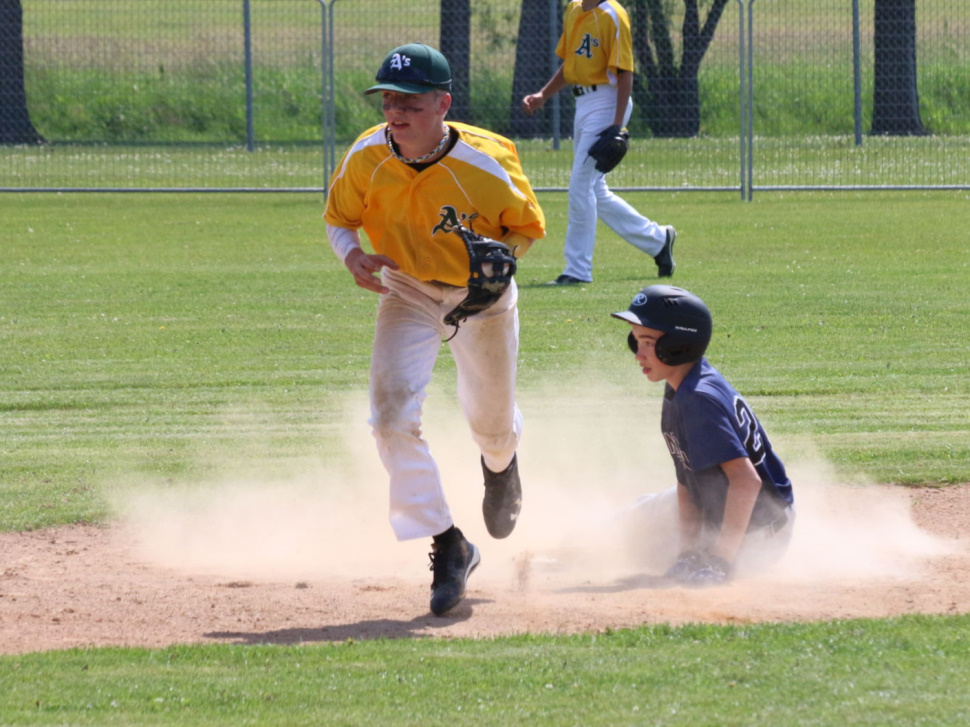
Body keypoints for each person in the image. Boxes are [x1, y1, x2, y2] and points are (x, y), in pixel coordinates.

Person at [324, 43, 546, 616]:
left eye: (412, 102)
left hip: (482, 299)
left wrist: (504, 262)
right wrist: (351, 256)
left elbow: (526, 228)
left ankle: (501, 468)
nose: (396, 112)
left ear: (442, 103)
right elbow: (338, 219)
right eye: (389, 101)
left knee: (491, 423)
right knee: (391, 416)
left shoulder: (488, 159)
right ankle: (450, 544)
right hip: (408, 290)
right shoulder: (367, 156)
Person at [610, 285, 795, 584]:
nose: (638, 355)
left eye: (647, 342)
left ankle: (567, 553)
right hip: (735, 516)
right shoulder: (682, 385)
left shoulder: (698, 399)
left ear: (679, 344)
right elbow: (688, 482)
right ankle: (563, 553)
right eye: (636, 342)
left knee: (646, 551)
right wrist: (688, 553)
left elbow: (746, 482)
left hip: (760, 534)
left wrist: (720, 562)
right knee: (637, 518)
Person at [522, 0, 676, 286]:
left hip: (607, 99)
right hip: (583, 102)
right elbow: (571, 63)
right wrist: (544, 95)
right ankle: (658, 240)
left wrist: (617, 125)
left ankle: (577, 270)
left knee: (580, 186)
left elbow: (625, 72)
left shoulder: (614, 15)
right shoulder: (573, 9)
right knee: (596, 190)